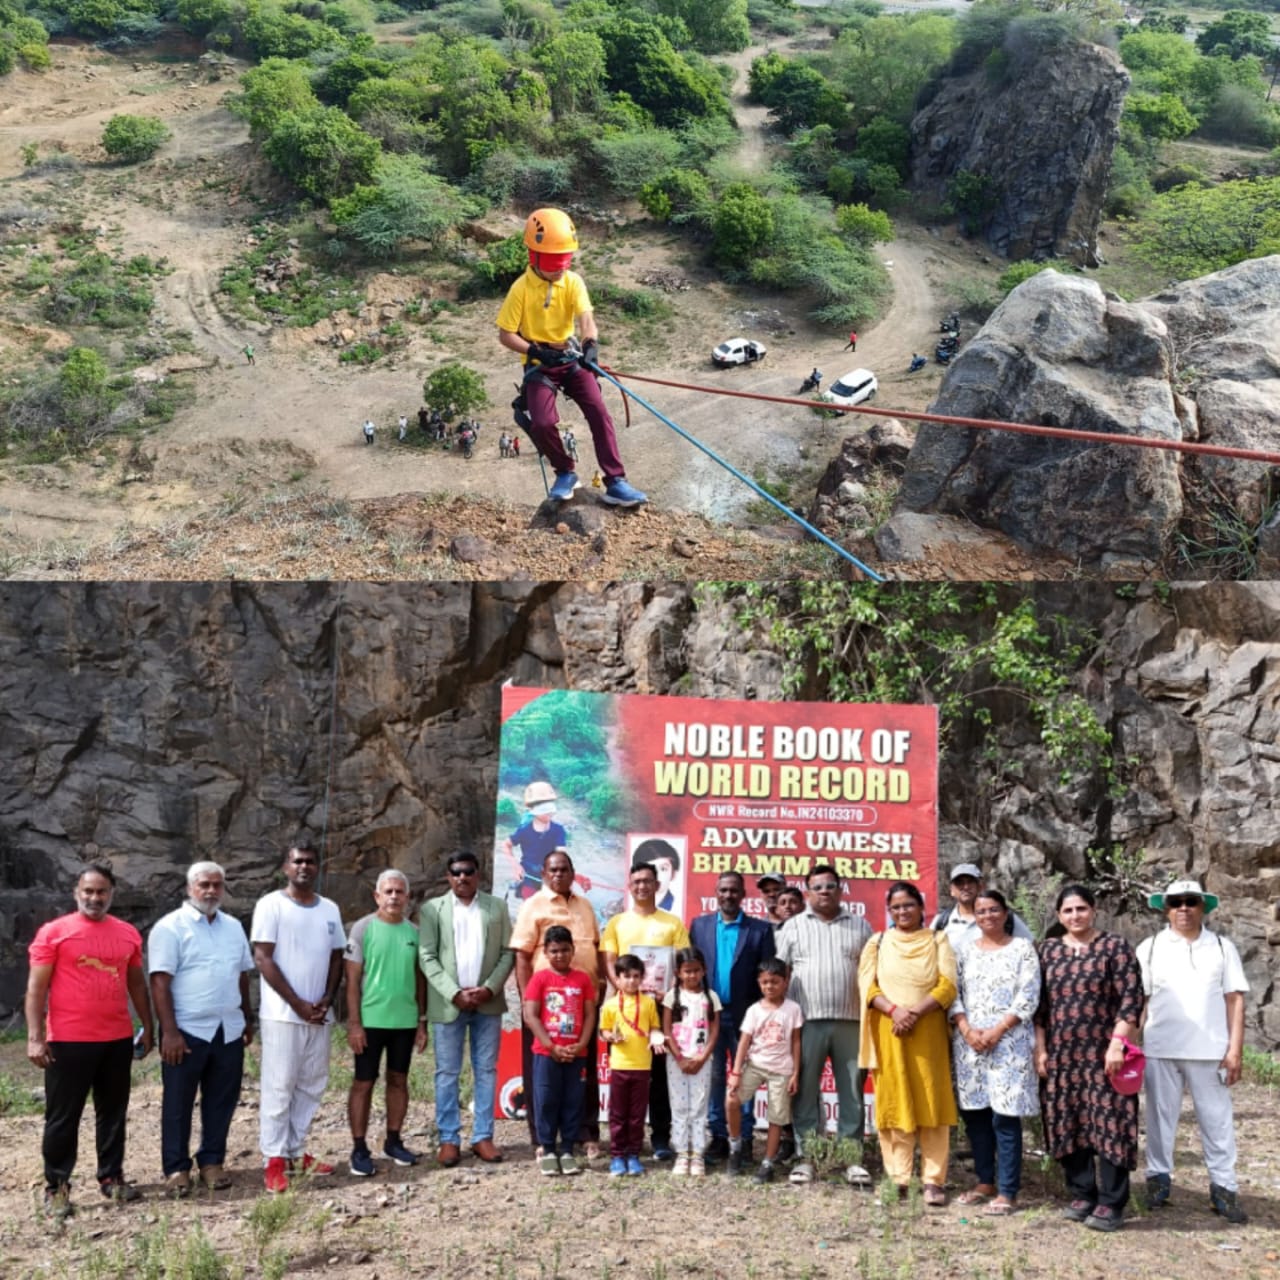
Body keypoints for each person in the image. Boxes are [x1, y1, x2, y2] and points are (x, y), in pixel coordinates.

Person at [497, 207, 647, 508]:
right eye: (554, 264)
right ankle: (565, 472)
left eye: (564, 263)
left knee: (599, 412)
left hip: (571, 356)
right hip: (540, 363)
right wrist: (535, 351)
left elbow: (586, 318)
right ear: (534, 257)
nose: (560, 270)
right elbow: (506, 335)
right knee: (541, 422)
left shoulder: (572, 281)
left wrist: (591, 344)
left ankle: (616, 481)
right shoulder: (521, 289)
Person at [26, 864, 154, 1215]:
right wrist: (36, 1038)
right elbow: (36, 989)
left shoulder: (127, 934)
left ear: (112, 894)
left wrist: (149, 1024)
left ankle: (111, 1177)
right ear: (76, 893)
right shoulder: (54, 933)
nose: (95, 898)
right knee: (63, 1117)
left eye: (102, 892)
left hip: (116, 1038)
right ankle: (57, 1188)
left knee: (112, 1112)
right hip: (68, 1040)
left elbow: (136, 984)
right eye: (88, 891)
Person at [1034, 884, 1144, 1232]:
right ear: (1058, 916)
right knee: (1069, 1119)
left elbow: (1131, 998)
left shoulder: (1115, 947)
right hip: (1063, 1056)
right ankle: (1082, 1193)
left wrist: (1117, 1044)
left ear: (1094, 910)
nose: (1075, 916)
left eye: (1081, 909)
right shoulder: (1048, 951)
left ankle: (1112, 1203)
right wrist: (1040, 1049)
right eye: (1067, 911)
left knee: (1111, 1122)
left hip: (1105, 1055)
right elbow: (1040, 1008)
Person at [1139, 878, 1249, 1224]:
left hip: (1210, 1050)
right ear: (1165, 908)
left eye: (1190, 901)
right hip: (1160, 1048)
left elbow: (1235, 999)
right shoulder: (1150, 947)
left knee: (1216, 1121)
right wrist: (1128, 1044)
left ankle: (1223, 1188)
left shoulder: (1221, 947)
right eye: (1175, 902)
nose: (1182, 908)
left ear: (1203, 906)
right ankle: (1158, 1181)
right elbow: (1139, 1001)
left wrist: (1235, 1050)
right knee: (1159, 1118)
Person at [148, 861, 255, 1199]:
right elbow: (160, 982)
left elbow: (242, 974)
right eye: (203, 885)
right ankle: (176, 1168)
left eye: (217, 885)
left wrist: (247, 1017)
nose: (210, 891)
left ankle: (212, 1161)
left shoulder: (233, 927)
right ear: (189, 888)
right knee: (178, 1102)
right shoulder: (170, 928)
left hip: (228, 1028)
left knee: (222, 1099)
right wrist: (169, 1032)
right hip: (187, 1031)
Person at [251, 842, 346, 1193]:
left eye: (310, 861)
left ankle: (295, 1150)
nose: (303, 867)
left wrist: (325, 998)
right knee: (280, 1084)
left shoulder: (330, 909)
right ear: (285, 867)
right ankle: (273, 1158)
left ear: (317, 867)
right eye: (297, 862)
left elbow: (337, 957)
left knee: (312, 1082)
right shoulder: (270, 905)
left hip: (319, 1014)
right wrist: (297, 1004)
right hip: (282, 1015)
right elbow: (263, 958)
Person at [859, 882, 958, 1204]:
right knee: (894, 1104)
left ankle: (933, 1181)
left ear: (921, 907)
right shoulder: (879, 942)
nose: (903, 912)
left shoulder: (937, 939)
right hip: (889, 1033)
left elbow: (947, 985)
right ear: (889, 911)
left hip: (927, 1034)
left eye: (908, 905)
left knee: (933, 1103)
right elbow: (868, 988)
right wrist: (895, 1011)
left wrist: (913, 1011)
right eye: (896, 907)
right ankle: (899, 1178)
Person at [776, 865, 873, 1187]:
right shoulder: (792, 926)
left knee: (852, 1091)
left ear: (840, 890)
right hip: (806, 1021)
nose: (825, 891)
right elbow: (779, 972)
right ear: (807, 892)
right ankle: (808, 1157)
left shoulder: (860, 926)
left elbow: (871, 973)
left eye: (831, 885)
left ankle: (851, 1158)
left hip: (852, 1020)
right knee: (804, 1091)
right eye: (818, 887)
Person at [419, 850, 514, 1168]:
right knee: (447, 1073)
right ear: (448, 877)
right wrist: (453, 992)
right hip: (449, 1004)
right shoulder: (432, 909)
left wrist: (488, 988)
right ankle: (448, 1140)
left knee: (485, 1071)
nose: (462, 877)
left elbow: (506, 953)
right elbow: (427, 956)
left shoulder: (497, 907)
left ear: (479, 874)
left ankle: (482, 1137)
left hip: (487, 1002)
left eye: (468, 871)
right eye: (456, 872)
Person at [949, 889, 1041, 1215]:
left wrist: (998, 1030)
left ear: (1005, 914)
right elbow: (952, 993)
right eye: (981, 911)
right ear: (974, 915)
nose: (988, 916)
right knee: (975, 1114)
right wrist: (966, 1030)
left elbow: (1028, 995)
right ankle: (984, 1180)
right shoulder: (963, 951)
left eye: (994, 910)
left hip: (1009, 1043)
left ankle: (1008, 1190)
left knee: (1005, 1115)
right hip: (969, 1044)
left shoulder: (1022, 949)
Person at [510, 851, 603, 1157]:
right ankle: (542, 1139)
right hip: (545, 1006)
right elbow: (522, 955)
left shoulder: (585, 906)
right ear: (544, 873)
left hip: (582, 1003)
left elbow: (596, 949)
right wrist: (527, 1003)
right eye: (553, 870)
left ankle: (586, 1133)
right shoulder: (533, 906)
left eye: (564, 869)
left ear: (573, 872)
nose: (559, 874)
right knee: (541, 1074)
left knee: (584, 1070)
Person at [600, 861, 690, 1162]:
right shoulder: (617, 923)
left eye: (647, 881)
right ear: (630, 885)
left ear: (657, 884)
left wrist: (671, 990)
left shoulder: (672, 923)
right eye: (636, 881)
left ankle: (661, 1138)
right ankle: (622, 1145)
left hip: (661, 1009)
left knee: (660, 1076)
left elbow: (681, 963)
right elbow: (610, 962)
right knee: (628, 1077)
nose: (642, 886)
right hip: (628, 1013)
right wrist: (627, 989)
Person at [344, 869, 427, 1178]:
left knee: (398, 1081)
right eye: (388, 891)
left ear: (407, 897)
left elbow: (420, 980)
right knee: (363, 1083)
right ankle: (359, 1147)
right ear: (377, 896)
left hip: (404, 1022)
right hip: (370, 1022)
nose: (394, 897)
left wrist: (421, 1021)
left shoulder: (415, 933)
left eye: (399, 892)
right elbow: (351, 982)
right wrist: (354, 1024)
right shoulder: (362, 930)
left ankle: (393, 1140)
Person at [689, 872, 776, 1164]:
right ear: (716, 892)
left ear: (743, 895)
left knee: (745, 1080)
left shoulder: (760, 931)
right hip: (709, 1016)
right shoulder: (699, 926)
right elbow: (692, 971)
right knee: (714, 1079)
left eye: (734, 891)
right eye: (723, 890)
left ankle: (746, 1138)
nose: (728, 895)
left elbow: (766, 976)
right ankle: (719, 1138)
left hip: (746, 1018)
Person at [522, 925, 597, 1176]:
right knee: (546, 1100)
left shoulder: (583, 979)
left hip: (576, 1054)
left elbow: (589, 1015)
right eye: (554, 951)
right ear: (545, 951)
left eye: (565, 950)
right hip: (547, 1054)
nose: (560, 955)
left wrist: (582, 1044)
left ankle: (566, 1149)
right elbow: (531, 1015)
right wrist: (550, 1046)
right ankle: (548, 1149)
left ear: (573, 950)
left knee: (573, 1100)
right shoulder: (540, 979)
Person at [727, 957, 803, 1185]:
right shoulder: (754, 1010)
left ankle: (767, 1163)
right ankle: (735, 1147)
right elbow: (743, 1042)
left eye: (775, 982)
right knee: (731, 1100)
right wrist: (736, 1071)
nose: (770, 986)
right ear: (759, 983)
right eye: (765, 982)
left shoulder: (793, 1009)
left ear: (785, 982)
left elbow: (796, 1042)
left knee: (776, 1118)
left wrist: (795, 1073)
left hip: (782, 1070)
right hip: (755, 1065)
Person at [600, 953, 664, 1177]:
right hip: (619, 1065)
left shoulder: (647, 1003)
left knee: (637, 1115)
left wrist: (657, 1037)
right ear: (616, 979)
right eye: (626, 976)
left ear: (642, 978)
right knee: (618, 1113)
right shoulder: (610, 1005)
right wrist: (610, 1037)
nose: (631, 981)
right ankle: (617, 1155)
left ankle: (633, 1155)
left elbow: (655, 1027)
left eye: (636, 976)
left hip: (642, 1067)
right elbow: (604, 1030)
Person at [661, 947, 721, 1177]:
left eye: (696, 971)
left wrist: (703, 1056)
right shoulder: (671, 997)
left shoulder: (710, 997)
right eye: (687, 971)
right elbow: (667, 1030)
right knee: (679, 1106)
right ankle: (681, 1154)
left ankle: (697, 1154)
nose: (692, 976)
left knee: (698, 1106)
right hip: (676, 1060)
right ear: (678, 973)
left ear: (704, 971)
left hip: (701, 1060)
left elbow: (714, 1030)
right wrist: (679, 1057)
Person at [931, 863, 1032, 951]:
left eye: (970, 882)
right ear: (952, 890)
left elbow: (1031, 946)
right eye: (959, 883)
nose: (965, 887)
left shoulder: (1002, 918)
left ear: (980, 887)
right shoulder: (941, 922)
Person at [503, 780, 567, 898]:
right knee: (530, 908)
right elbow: (506, 845)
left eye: (550, 808)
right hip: (528, 876)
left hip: (550, 876)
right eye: (543, 809)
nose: (548, 813)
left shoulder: (558, 830)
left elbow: (560, 852)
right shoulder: (524, 830)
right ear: (532, 810)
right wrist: (515, 866)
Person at [633, 838, 682, 915]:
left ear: (673, 874)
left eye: (663, 869)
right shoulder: (627, 911)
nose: (656, 875)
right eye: (649, 868)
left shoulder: (677, 910)